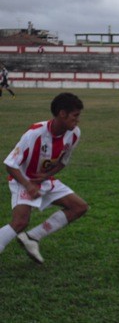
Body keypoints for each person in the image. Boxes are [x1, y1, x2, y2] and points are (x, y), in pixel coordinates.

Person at [0, 93, 89, 264]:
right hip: (23, 179)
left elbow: (63, 161)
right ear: (62, 114)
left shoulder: (74, 134)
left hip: (43, 181)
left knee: (79, 207)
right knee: (20, 222)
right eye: (75, 116)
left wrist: (45, 176)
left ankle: (33, 237)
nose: (77, 120)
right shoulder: (35, 133)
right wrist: (28, 185)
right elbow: (10, 164)